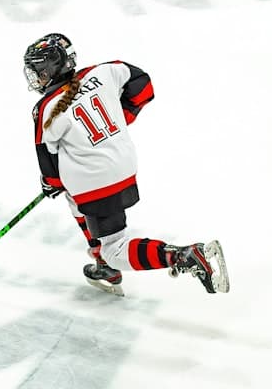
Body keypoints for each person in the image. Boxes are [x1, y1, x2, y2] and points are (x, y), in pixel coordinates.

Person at [24, 33, 229, 295]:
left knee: (114, 249)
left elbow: (48, 163)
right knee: (73, 196)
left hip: (96, 181)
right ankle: (102, 264)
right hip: (124, 166)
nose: (37, 79)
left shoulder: (45, 108)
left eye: (39, 72)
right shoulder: (105, 71)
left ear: (50, 69)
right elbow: (143, 86)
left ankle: (182, 256)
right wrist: (121, 117)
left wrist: (50, 184)